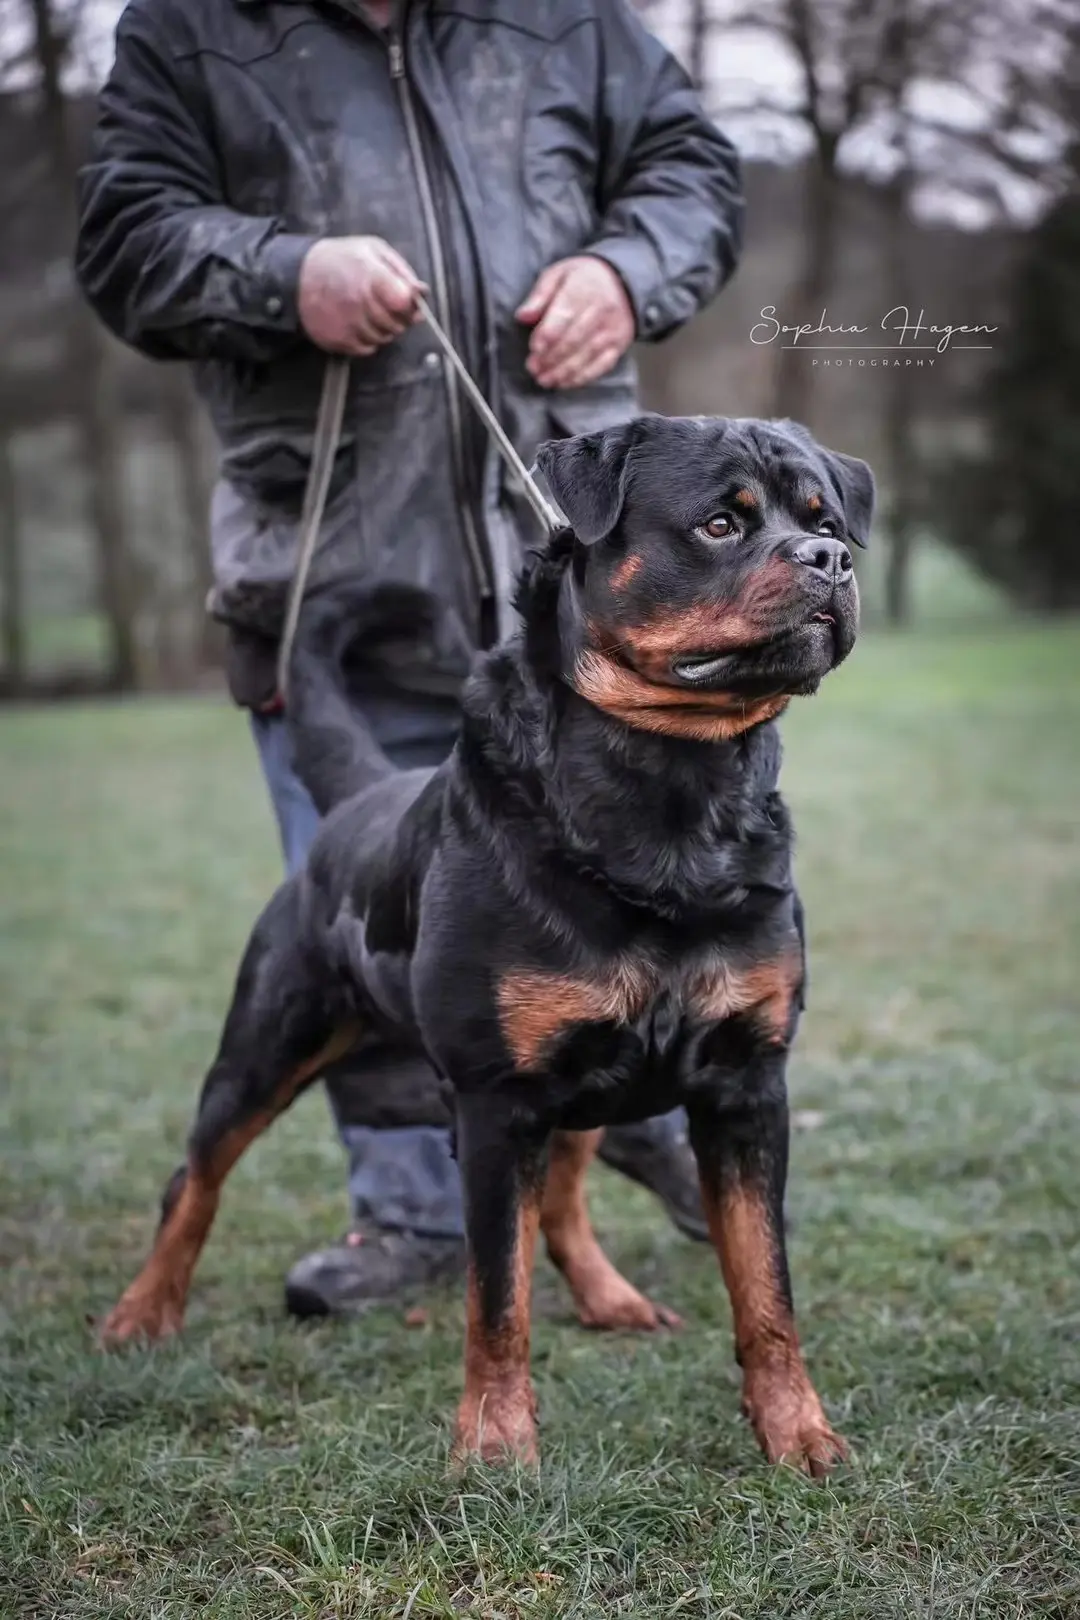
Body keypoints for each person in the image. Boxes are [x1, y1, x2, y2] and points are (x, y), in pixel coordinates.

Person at [75, 0, 745, 1316]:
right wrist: (282, 273)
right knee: (373, 919)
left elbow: (695, 170)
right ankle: (413, 1216)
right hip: (327, 560)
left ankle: (652, 1123)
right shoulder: (186, 30)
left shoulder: (567, 18)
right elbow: (122, 236)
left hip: (568, 587)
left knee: (650, 885)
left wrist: (627, 270)